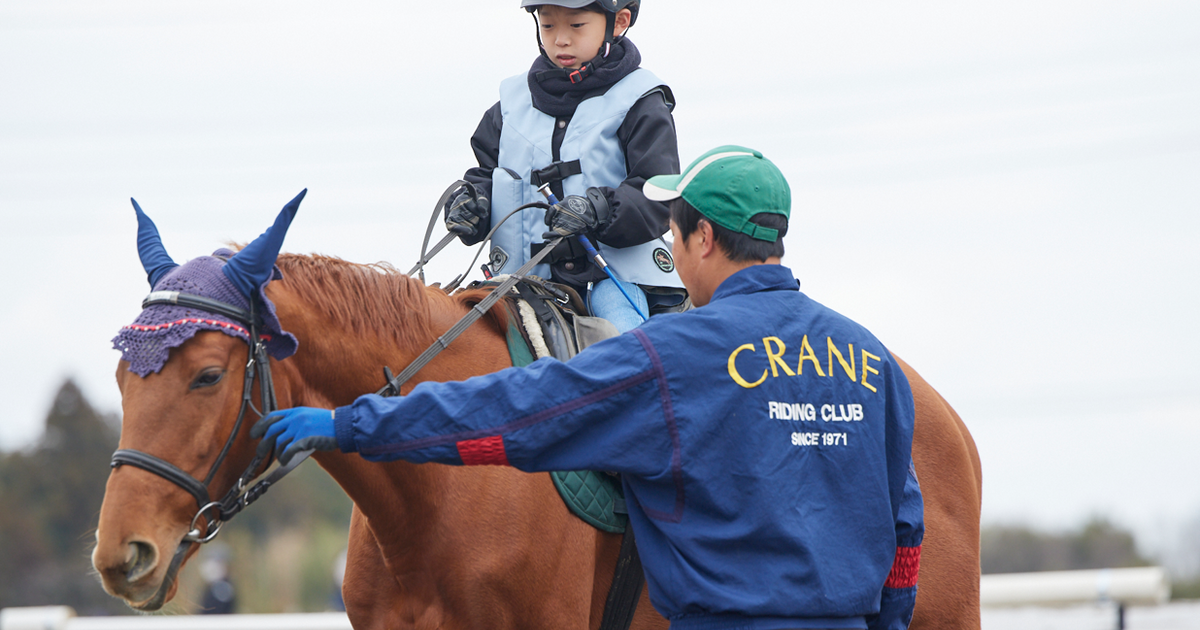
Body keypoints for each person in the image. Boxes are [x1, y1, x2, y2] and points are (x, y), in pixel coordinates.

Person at [256, 146, 925, 630]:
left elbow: (519, 412)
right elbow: (906, 527)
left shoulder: (673, 356)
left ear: (703, 237)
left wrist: (353, 427)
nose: (671, 244)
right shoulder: (870, 360)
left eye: (673, 229)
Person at [442, 0, 686, 332]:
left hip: (613, 277)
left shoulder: (641, 99)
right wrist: (472, 204)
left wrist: (599, 209)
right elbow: (487, 173)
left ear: (619, 22)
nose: (560, 39)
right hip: (517, 282)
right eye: (548, 25)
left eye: (576, 26)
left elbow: (658, 190)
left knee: (623, 340)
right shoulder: (510, 104)